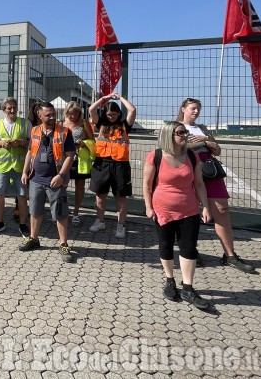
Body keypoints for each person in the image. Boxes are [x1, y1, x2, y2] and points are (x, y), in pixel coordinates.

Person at [177, 98, 254, 272]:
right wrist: (197, 142)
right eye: (193, 108)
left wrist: (205, 139)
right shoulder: (175, 126)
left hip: (209, 171)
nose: (196, 112)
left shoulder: (203, 128)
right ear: (183, 109)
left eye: (198, 109)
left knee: (222, 210)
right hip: (187, 169)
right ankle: (190, 252)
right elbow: (173, 147)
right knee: (189, 214)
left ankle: (230, 255)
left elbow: (217, 150)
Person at [143, 121, 212, 309]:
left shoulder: (192, 155)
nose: (185, 135)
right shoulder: (155, 156)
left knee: (188, 248)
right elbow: (147, 185)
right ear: (169, 135)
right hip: (162, 209)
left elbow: (199, 184)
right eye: (180, 132)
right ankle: (170, 280)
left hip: (189, 209)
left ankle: (188, 288)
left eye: (185, 132)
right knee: (165, 245)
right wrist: (148, 207)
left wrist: (205, 207)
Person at [19, 102, 75, 262]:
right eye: (48, 115)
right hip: (36, 179)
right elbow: (30, 151)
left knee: (60, 212)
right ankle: (34, 238)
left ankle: (63, 243)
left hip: (55, 180)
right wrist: (24, 171)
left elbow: (70, 155)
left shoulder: (65, 132)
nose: (52, 117)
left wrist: (61, 175)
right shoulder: (35, 130)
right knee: (35, 211)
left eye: (53, 114)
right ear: (40, 116)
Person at [88, 93, 136, 238]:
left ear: (119, 113)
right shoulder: (101, 124)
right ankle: (100, 221)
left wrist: (120, 98)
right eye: (109, 114)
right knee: (100, 195)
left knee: (120, 197)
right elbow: (91, 110)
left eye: (114, 114)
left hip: (120, 165)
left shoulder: (124, 125)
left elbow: (132, 110)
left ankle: (121, 225)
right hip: (102, 164)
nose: (111, 117)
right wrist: (105, 99)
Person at [0, 97, 31, 236]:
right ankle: (0, 223)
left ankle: (23, 225)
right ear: (4, 110)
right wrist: (1, 143)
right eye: (9, 108)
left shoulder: (25, 123)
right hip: (3, 166)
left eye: (14, 107)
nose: (12, 110)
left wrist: (22, 143)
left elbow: (33, 144)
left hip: (20, 167)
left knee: (22, 196)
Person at [62, 102, 95, 226]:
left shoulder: (84, 123)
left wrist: (83, 143)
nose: (73, 117)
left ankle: (76, 212)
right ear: (67, 113)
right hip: (65, 159)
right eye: (70, 114)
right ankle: (62, 211)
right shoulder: (62, 123)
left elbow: (92, 140)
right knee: (62, 185)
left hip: (79, 159)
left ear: (79, 113)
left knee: (79, 185)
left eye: (75, 114)